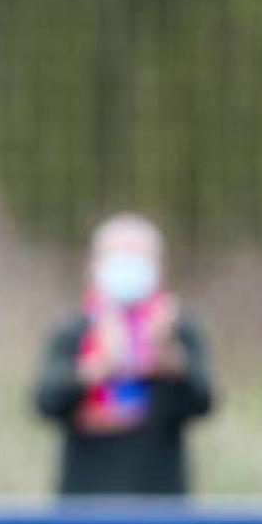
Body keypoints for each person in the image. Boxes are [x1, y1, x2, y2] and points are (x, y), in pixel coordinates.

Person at [32, 213, 214, 497]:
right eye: (118, 257)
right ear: (93, 265)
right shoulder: (74, 330)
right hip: (84, 500)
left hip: (160, 500)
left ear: (159, 268)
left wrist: (172, 364)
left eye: (138, 258)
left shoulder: (176, 330)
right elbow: (45, 403)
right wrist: (95, 368)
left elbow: (204, 403)